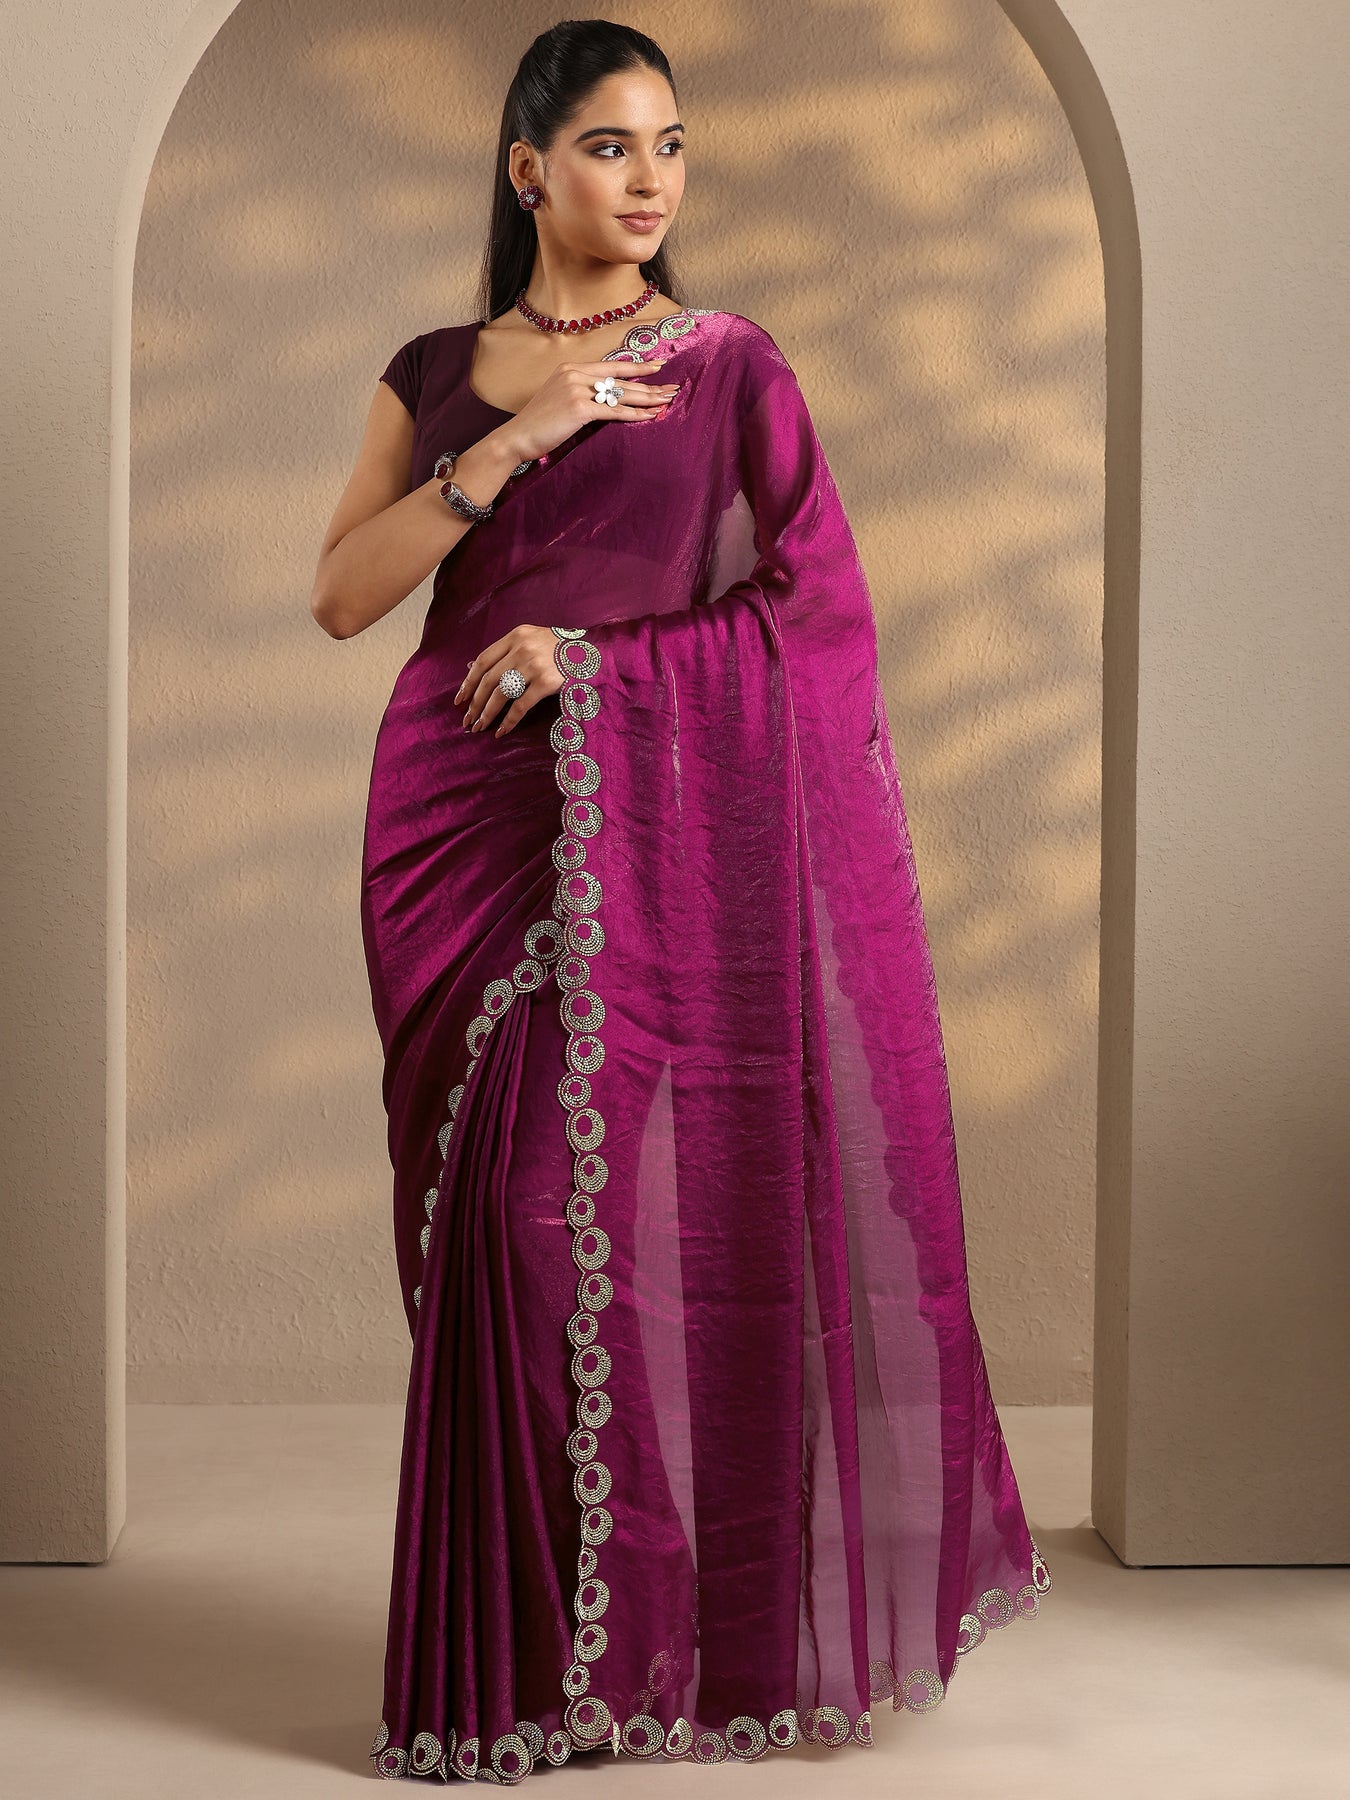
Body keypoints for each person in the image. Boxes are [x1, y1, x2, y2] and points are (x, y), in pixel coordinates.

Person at [309, 17, 1050, 1787]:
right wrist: (520, 436)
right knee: (488, 1237)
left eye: (670, 147)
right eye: (610, 147)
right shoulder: (434, 369)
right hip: (454, 827)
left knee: (575, 1227)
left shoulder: (728, 369)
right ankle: (517, 1673)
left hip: (640, 824)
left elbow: (818, 618)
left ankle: (653, 1647)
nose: (649, 182)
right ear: (527, 170)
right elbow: (342, 595)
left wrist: (600, 665)